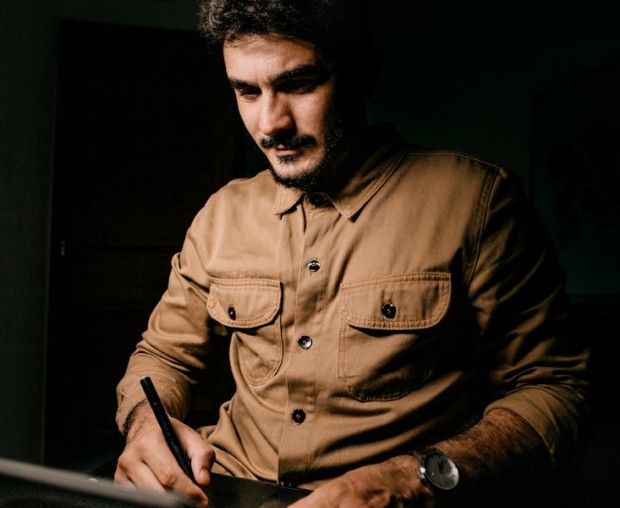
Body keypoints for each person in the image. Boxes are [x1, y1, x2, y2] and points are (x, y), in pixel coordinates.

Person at [113, 1, 593, 506]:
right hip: (226, 490)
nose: (270, 123)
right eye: (247, 91)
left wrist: (413, 479)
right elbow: (161, 356)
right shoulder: (221, 214)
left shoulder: (480, 202)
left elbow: (560, 389)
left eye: (299, 84)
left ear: (363, 75)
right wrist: (149, 427)